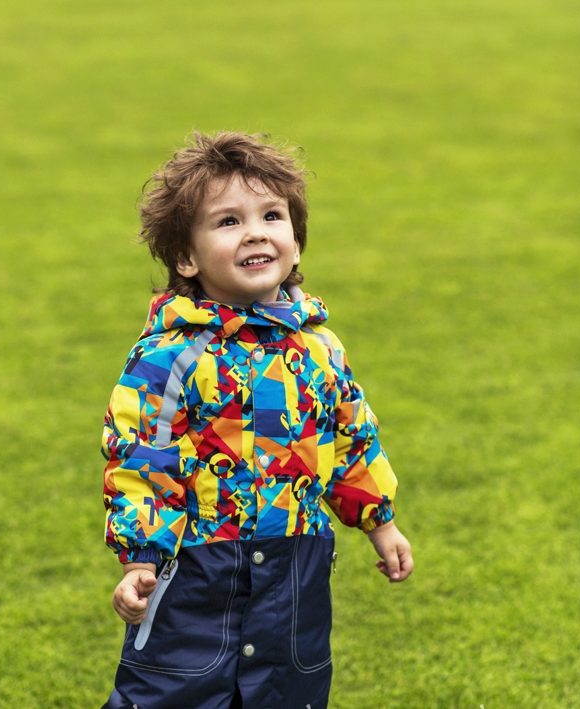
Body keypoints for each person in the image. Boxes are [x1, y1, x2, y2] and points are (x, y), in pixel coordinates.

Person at [101, 131, 413, 709]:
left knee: (287, 694)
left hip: (295, 573)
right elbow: (143, 458)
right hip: (197, 574)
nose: (255, 232)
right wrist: (142, 556)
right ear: (187, 258)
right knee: (173, 696)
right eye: (228, 221)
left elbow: (350, 439)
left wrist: (380, 522)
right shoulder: (170, 357)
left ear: (295, 243)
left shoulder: (319, 348)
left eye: (272, 216)